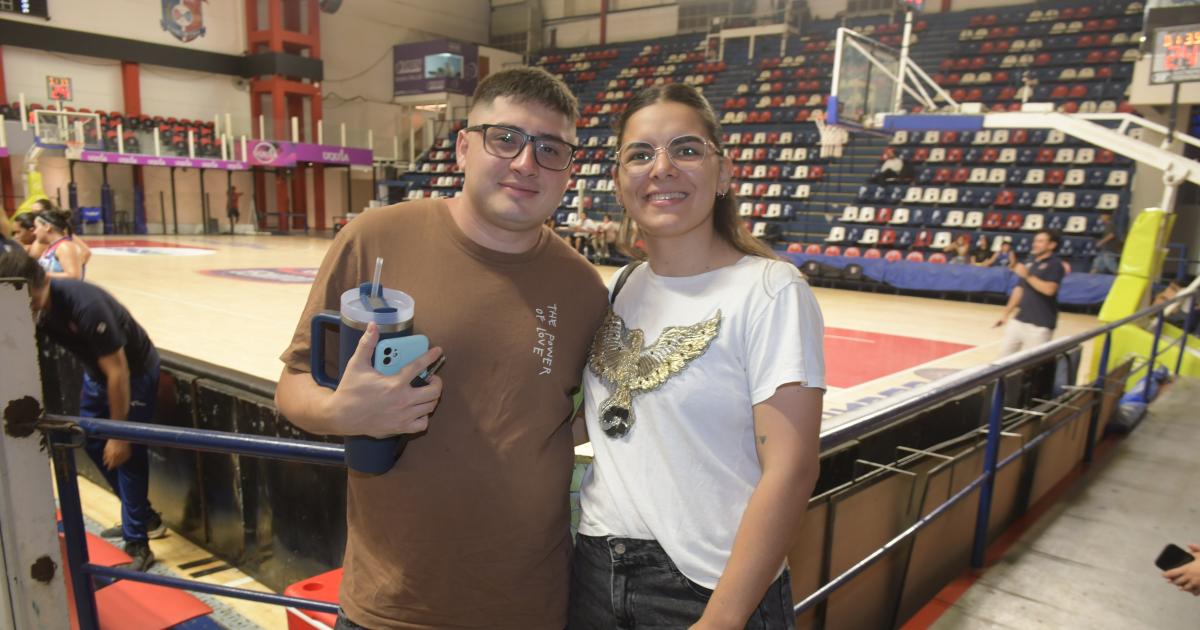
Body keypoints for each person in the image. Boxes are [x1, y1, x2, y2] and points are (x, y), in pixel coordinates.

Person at [274, 67, 608, 630]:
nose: (526, 163)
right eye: (505, 139)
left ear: (568, 170)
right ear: (462, 148)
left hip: (530, 607)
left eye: (550, 149)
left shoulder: (583, 288)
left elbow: (576, 419)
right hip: (391, 605)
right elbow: (293, 384)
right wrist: (342, 413)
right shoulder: (374, 239)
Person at [569, 83, 825, 629]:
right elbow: (602, 420)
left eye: (686, 150)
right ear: (619, 180)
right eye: (640, 154)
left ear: (724, 173)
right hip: (596, 568)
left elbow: (792, 469)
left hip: (709, 588)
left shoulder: (770, 290)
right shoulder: (624, 285)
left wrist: (720, 620)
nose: (661, 168)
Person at [0, 242, 162, 571]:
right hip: (97, 374)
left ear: (39, 285)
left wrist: (119, 435)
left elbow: (119, 372)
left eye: (28, 301)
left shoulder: (85, 306)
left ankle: (139, 543)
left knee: (127, 454)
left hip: (133, 375)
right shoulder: (34, 308)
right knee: (89, 439)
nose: (26, 310)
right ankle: (144, 517)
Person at [994, 230, 1067, 354]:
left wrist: (1028, 276)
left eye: (1040, 241)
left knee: (1033, 362)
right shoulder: (1030, 262)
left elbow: (1050, 290)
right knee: (1004, 359)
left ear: (1052, 245)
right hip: (1019, 320)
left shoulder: (1055, 264)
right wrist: (1005, 314)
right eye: (1035, 241)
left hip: (1040, 325)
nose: (1035, 244)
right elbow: (1019, 289)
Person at [34, 208, 91, 280]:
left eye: (36, 227)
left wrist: (41, 275)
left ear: (47, 227)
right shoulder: (51, 248)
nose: (34, 232)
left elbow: (74, 276)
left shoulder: (66, 247)